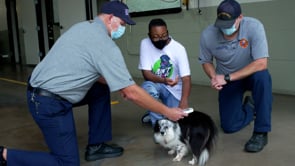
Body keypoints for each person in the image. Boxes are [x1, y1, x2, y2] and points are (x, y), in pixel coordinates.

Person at [0, 1, 188, 166]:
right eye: (122, 23)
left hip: (42, 91)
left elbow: (86, 67)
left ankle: (96, 145)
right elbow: (132, 92)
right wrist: (167, 112)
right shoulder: (104, 44)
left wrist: (117, 82)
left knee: (100, 89)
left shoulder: (82, 27)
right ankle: (5, 155)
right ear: (110, 18)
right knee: (66, 163)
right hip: (48, 103)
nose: (122, 29)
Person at [198, 0, 272, 153]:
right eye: (222, 24)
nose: (226, 28)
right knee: (230, 126)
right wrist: (213, 77)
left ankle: (261, 132)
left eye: (230, 23)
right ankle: (250, 106)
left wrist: (227, 77)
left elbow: (261, 63)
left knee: (263, 78)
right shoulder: (208, 34)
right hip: (228, 80)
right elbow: (206, 61)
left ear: (240, 18)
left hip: (250, 75)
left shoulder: (254, 27)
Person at [138, 18, 191, 127]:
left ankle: (155, 113)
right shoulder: (145, 44)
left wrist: (184, 101)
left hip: (174, 91)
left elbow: (186, 78)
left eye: (163, 35)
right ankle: (158, 124)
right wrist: (164, 81)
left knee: (176, 122)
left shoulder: (179, 49)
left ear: (168, 32)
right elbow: (146, 74)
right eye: (156, 37)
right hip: (157, 84)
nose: (161, 39)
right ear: (149, 36)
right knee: (148, 89)